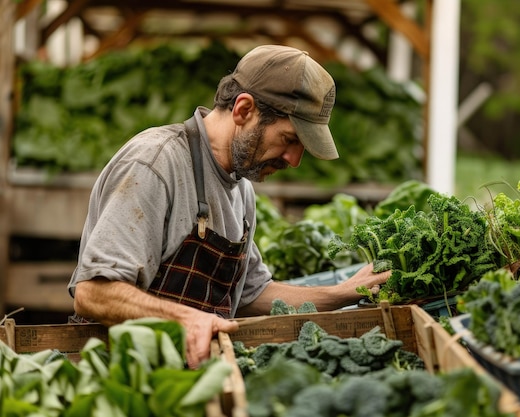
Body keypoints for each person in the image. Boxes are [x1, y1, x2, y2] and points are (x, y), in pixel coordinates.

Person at [68, 44, 390, 369]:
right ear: (244, 110)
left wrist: (347, 292)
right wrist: (184, 319)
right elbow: (94, 292)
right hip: (118, 377)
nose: (294, 161)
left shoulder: (242, 190)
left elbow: (251, 295)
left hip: (187, 378)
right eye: (290, 140)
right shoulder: (155, 163)